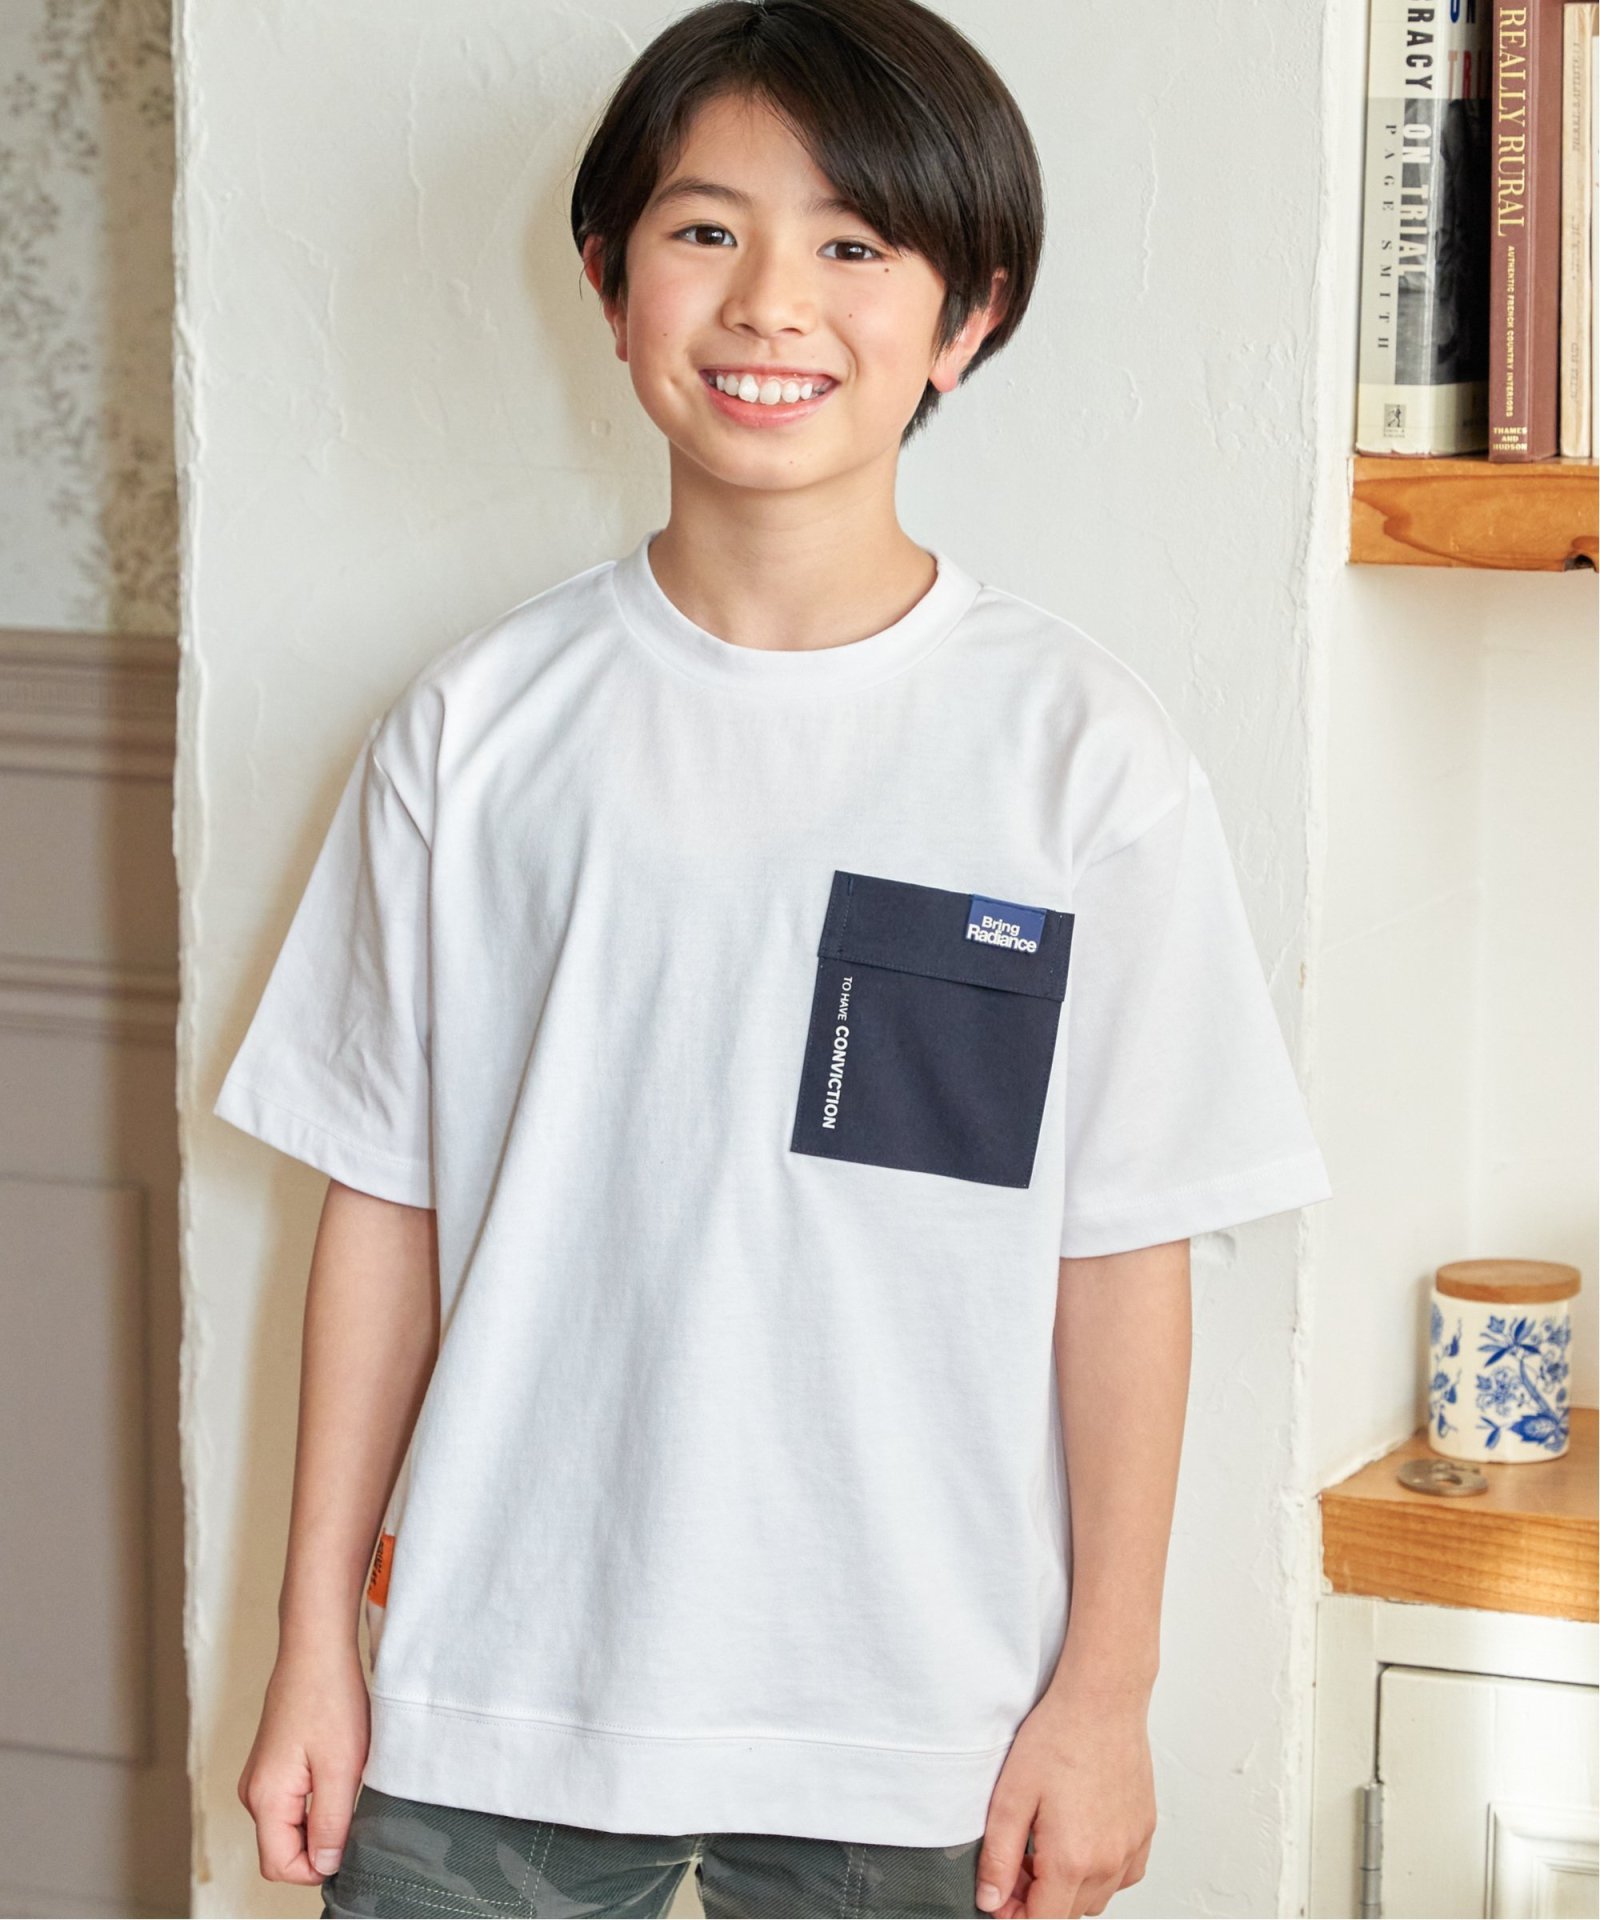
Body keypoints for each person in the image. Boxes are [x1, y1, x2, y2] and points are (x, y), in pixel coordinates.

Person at [216, 1, 1333, 1915]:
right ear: (608, 279)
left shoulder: (1080, 757)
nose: (770, 303)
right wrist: (316, 1638)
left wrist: (1109, 1693)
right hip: (490, 1701)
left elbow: (1122, 1253)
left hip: (920, 1731)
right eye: (706, 230)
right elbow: (381, 1209)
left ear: (969, 316)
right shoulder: (476, 731)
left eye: (854, 243)